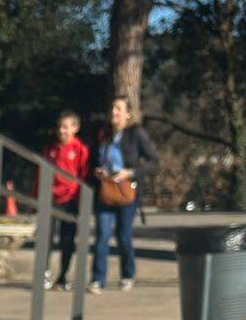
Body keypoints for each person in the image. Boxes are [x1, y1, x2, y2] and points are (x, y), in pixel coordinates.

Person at [90, 95, 159, 293]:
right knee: (102, 235)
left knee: (123, 235)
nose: (114, 112)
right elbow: (96, 159)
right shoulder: (104, 134)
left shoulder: (136, 134)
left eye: (118, 108)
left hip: (127, 192)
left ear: (128, 114)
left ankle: (127, 274)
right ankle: (97, 279)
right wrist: (98, 171)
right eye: (113, 108)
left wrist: (130, 172)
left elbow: (153, 161)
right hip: (106, 191)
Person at [43, 110, 90, 291]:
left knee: (67, 240)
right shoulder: (51, 150)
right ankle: (44, 272)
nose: (61, 131)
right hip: (51, 198)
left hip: (70, 200)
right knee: (46, 237)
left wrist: (79, 200)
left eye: (65, 127)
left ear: (75, 128)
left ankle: (63, 276)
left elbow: (83, 176)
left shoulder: (80, 149)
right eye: (60, 127)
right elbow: (42, 174)